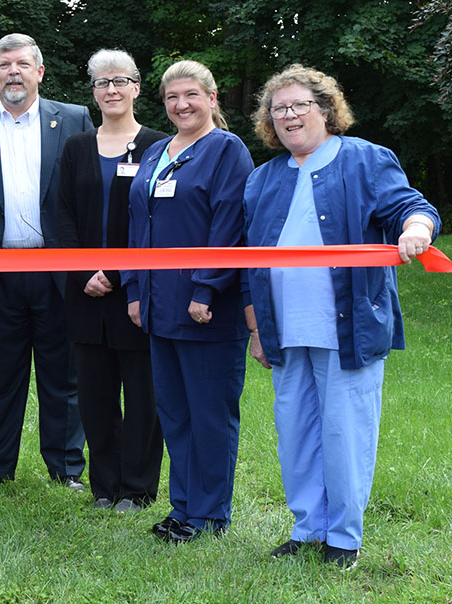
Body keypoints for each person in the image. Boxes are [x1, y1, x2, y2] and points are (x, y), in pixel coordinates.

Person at [243, 65, 440, 569]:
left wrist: (415, 229)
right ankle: (307, 528)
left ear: (326, 109)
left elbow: (411, 208)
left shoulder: (367, 160)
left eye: (298, 105)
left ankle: (344, 539)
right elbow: (249, 262)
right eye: (278, 108)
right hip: (284, 329)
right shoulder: (263, 178)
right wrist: (255, 328)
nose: (288, 115)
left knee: (344, 433)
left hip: (348, 327)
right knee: (297, 435)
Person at [121, 59, 255, 543]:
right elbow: (138, 225)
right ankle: (182, 508)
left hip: (206, 311)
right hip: (159, 307)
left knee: (210, 414)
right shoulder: (156, 151)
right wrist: (134, 289)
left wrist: (206, 287)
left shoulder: (227, 150)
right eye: (173, 97)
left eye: (191, 95)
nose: (181, 105)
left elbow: (229, 226)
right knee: (175, 414)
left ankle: (210, 514)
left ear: (212, 98)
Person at [0, 33, 94, 497]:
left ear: (39, 72)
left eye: (22, 64)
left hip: (57, 269)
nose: (13, 72)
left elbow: (87, 194)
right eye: (4, 65)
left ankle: (67, 470)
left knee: (64, 377)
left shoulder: (74, 118)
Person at [56, 49, 167, 512]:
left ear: (137, 88)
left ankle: (138, 488)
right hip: (85, 294)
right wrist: (84, 272)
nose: (112, 90)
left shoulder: (160, 147)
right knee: (95, 396)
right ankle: (104, 484)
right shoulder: (76, 147)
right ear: (94, 92)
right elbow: (59, 214)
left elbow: (160, 221)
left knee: (143, 395)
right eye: (103, 83)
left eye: (121, 81)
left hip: (137, 291)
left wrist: (119, 272)